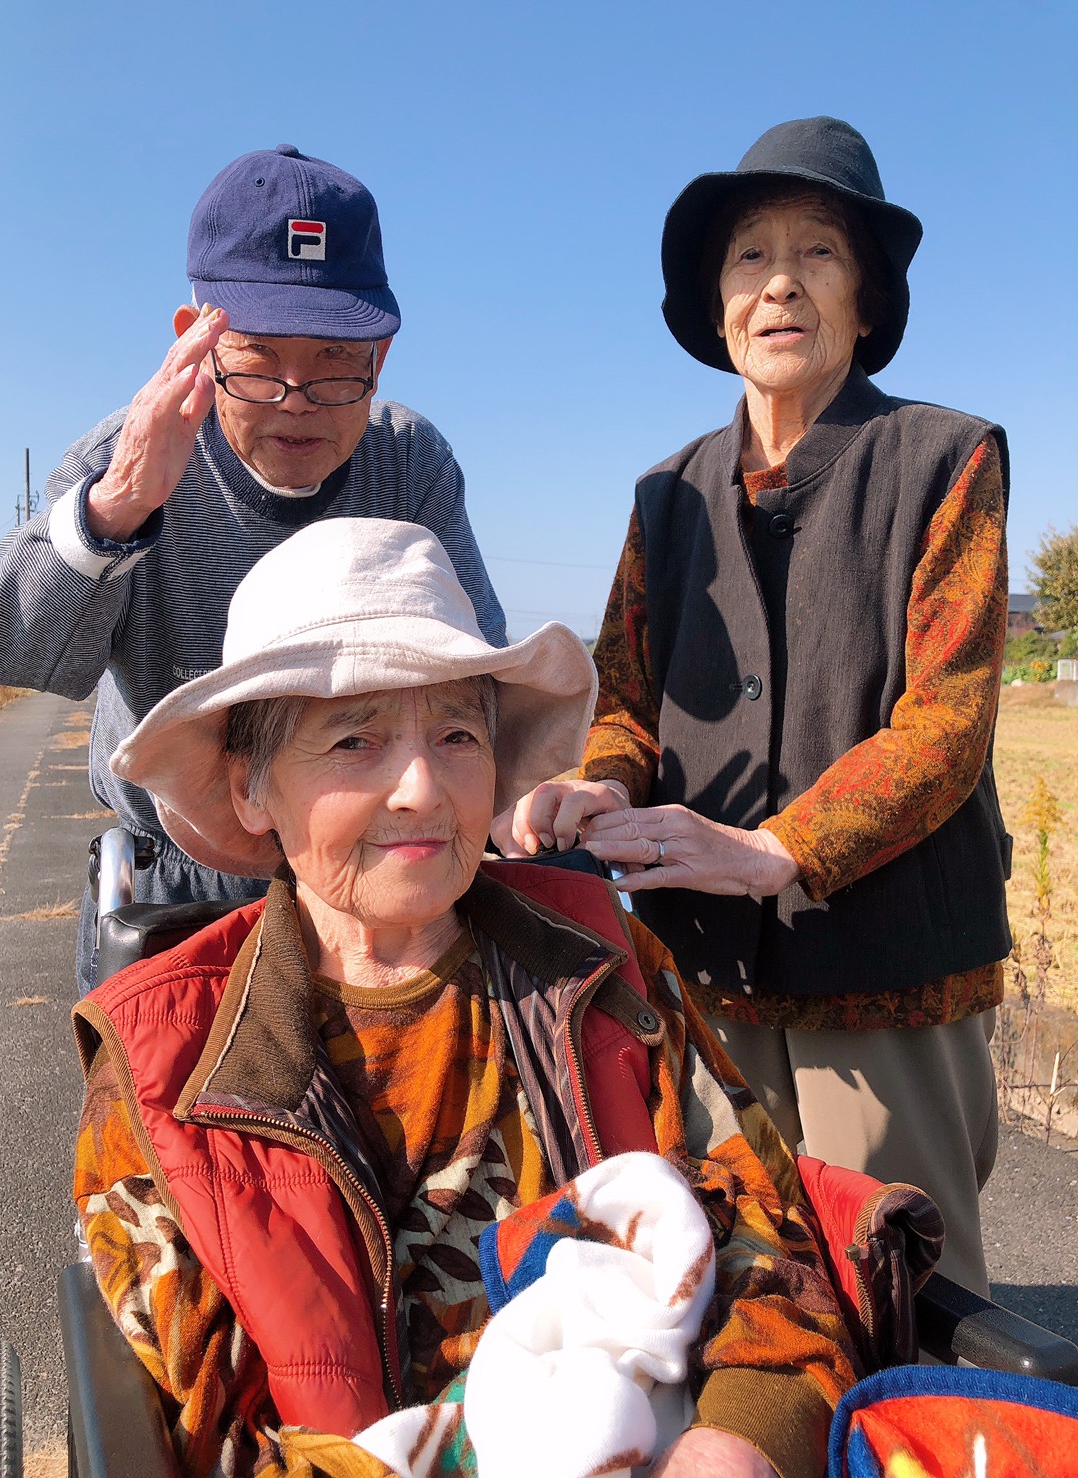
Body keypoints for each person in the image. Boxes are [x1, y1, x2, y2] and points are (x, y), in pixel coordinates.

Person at [73, 518, 856, 1478]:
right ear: (249, 788)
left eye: (457, 734)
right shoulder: (164, 1071)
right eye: (355, 740)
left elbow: (763, 1230)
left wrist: (739, 1441)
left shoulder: (606, 968)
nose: (422, 788)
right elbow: (208, 1439)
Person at [494, 117, 1010, 1295]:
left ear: (866, 303)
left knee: (907, 1291)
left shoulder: (944, 460)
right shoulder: (665, 496)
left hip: (884, 974)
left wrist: (778, 848)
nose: (777, 281)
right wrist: (598, 783)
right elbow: (628, 705)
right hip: (702, 972)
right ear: (720, 307)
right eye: (748, 258)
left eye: (817, 252)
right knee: (740, 1279)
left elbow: (947, 725)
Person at [0, 145, 504, 992]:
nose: (297, 398)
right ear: (197, 339)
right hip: (174, 881)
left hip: (367, 872)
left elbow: (474, 666)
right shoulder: (131, 450)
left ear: (382, 356)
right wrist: (115, 509)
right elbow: (5, 651)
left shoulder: (407, 460)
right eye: (258, 359)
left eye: (336, 364)